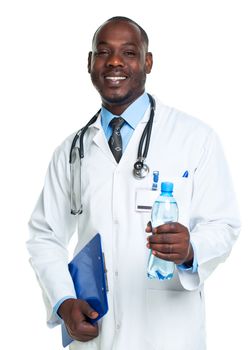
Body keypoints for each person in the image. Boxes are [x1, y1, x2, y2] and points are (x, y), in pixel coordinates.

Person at [27, 16, 240, 350]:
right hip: (96, 334)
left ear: (147, 61)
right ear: (90, 63)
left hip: (168, 336)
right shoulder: (71, 152)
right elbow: (44, 236)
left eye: (128, 52)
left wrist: (191, 251)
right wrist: (64, 302)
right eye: (103, 52)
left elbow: (224, 224)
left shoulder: (195, 138)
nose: (114, 61)